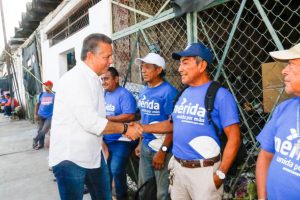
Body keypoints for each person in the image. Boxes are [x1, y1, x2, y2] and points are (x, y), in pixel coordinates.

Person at [140, 43, 241, 200]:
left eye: (185, 62)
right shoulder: (183, 94)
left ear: (202, 65)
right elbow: (172, 125)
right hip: (178, 170)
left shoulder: (221, 95)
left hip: (204, 172)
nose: (180, 68)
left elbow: (234, 137)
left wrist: (220, 174)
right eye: (180, 63)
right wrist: (141, 127)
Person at [48, 33, 142, 200]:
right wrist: (125, 128)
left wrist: (102, 145)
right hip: (71, 158)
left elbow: (98, 118)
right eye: (106, 56)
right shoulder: (75, 80)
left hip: (92, 154)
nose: (111, 60)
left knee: (103, 196)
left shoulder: (94, 80)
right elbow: (91, 122)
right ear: (90, 56)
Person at [256, 43, 300, 200]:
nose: (284, 71)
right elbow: (265, 156)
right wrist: (262, 197)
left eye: (291, 64)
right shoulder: (284, 109)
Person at [134, 53, 178, 200]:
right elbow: (144, 119)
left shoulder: (169, 92)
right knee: (145, 189)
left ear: (159, 70)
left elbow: (173, 125)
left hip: (163, 149)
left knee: (162, 193)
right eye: (142, 67)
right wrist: (140, 143)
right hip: (146, 147)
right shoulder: (144, 91)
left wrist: (163, 151)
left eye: (147, 67)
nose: (143, 70)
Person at [101, 67, 137, 200]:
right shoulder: (104, 94)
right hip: (106, 139)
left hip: (122, 139)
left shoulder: (124, 94)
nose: (104, 82)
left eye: (107, 78)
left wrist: (109, 118)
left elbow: (130, 115)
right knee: (106, 170)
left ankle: (122, 196)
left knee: (116, 169)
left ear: (116, 79)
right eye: (102, 79)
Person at [32, 80, 55, 150]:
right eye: (44, 85)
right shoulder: (41, 94)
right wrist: (35, 114)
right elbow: (37, 104)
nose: (45, 87)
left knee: (44, 130)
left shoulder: (54, 95)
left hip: (49, 116)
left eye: (47, 85)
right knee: (40, 130)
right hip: (40, 115)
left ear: (51, 86)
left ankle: (35, 139)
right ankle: (40, 144)